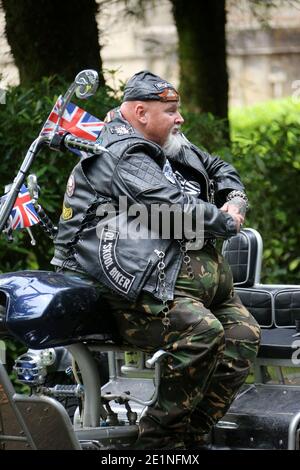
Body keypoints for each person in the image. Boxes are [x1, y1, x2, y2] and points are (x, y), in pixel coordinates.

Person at [51, 71, 261, 449]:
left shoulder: (167, 142)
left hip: (179, 285)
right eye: (171, 111)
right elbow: (175, 208)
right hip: (131, 288)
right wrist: (225, 221)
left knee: (243, 336)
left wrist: (235, 198)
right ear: (140, 112)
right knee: (202, 333)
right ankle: (158, 443)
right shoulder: (121, 153)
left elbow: (218, 168)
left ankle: (188, 437)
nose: (180, 118)